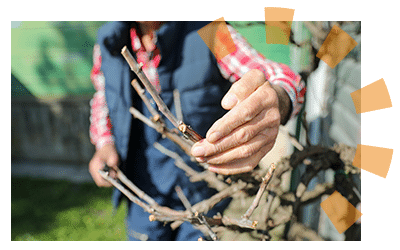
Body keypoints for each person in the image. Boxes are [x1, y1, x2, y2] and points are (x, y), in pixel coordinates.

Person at [88, 21, 305, 241]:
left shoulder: (211, 30)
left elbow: (277, 76)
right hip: (143, 190)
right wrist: (104, 143)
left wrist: (277, 98)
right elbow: (103, 96)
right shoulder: (110, 41)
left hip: (204, 193)